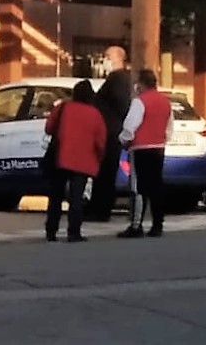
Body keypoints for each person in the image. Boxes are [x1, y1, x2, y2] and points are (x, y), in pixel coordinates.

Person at [43, 80, 106, 243]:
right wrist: (99, 158)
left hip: (61, 157)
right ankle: (74, 232)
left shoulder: (63, 108)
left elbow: (49, 128)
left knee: (55, 196)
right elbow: (100, 141)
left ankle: (51, 231)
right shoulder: (95, 114)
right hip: (83, 161)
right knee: (76, 198)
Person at [118, 69, 174, 239]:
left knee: (138, 187)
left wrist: (123, 139)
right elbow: (169, 127)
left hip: (140, 147)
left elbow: (130, 125)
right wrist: (163, 139)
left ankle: (136, 225)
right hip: (158, 147)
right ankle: (158, 224)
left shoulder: (139, 102)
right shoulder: (166, 102)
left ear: (140, 84)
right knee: (156, 185)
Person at [88, 45, 132, 222]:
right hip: (108, 132)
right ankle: (98, 207)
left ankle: (101, 209)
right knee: (102, 173)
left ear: (118, 59)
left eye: (107, 56)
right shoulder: (115, 79)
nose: (104, 59)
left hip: (110, 133)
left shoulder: (118, 79)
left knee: (105, 173)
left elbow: (122, 105)